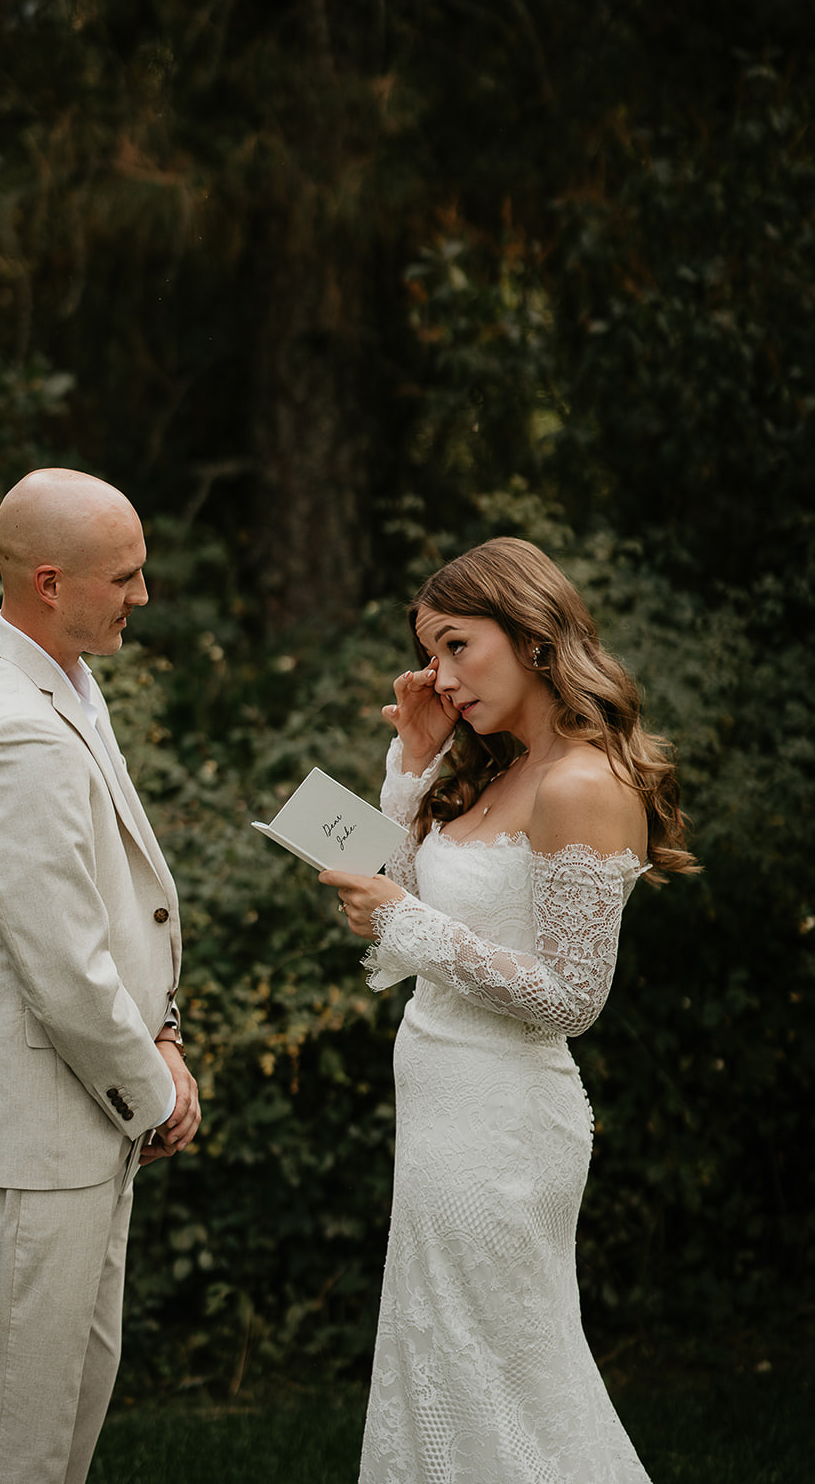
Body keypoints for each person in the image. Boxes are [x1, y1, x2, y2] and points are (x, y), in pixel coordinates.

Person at [320, 536, 697, 1484]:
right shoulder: (491, 770)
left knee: (507, 1373)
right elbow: (392, 899)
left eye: (456, 646)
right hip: (439, 1103)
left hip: (504, 1125)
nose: (439, 677)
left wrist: (405, 918)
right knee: (436, 1357)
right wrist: (409, 760)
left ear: (531, 635)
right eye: (429, 653)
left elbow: (572, 997)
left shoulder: (582, 782)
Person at [0, 468, 200, 1484]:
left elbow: (117, 909)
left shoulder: (63, 677)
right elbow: (64, 967)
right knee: (18, 1440)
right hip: (35, 1130)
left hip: (80, 1120)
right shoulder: (11, 731)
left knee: (70, 1404)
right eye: (124, 576)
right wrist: (152, 1089)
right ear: (47, 580)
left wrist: (163, 1036)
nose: (142, 594)